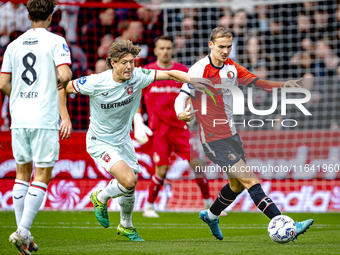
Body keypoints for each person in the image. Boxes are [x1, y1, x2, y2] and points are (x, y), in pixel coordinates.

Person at [58, 40, 208, 241]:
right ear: (112, 63)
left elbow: (172, 74)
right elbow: (62, 87)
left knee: (129, 185)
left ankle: (126, 225)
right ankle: (100, 196)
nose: (129, 67)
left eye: (132, 62)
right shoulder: (95, 82)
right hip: (99, 141)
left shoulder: (139, 75)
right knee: (129, 179)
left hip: (123, 141)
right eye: (124, 63)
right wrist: (65, 118)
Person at [174, 27, 314, 241]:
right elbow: (181, 95)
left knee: (236, 185)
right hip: (213, 139)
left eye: (229, 47)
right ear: (210, 45)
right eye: (221, 47)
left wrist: (283, 85)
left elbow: (258, 83)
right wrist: (180, 112)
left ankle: (211, 216)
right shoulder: (199, 69)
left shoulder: (231, 68)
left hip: (231, 135)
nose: (225, 51)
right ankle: (285, 223)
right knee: (250, 180)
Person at [0, 0, 72, 254]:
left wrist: (20, 97)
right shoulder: (56, 41)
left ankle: (24, 233)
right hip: (43, 116)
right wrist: (52, 91)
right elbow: (64, 76)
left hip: (18, 116)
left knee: (22, 172)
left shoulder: (12, 45)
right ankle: (22, 231)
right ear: (51, 15)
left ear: (28, 15)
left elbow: (3, 82)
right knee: (41, 175)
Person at [133, 36, 217, 218]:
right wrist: (138, 120)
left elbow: (193, 94)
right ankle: (148, 207)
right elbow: (137, 99)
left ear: (173, 50)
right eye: (161, 48)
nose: (165, 51)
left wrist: (191, 109)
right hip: (159, 131)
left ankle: (210, 205)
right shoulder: (146, 72)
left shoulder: (181, 71)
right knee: (161, 170)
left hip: (181, 129)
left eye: (168, 48)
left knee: (198, 164)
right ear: (155, 50)